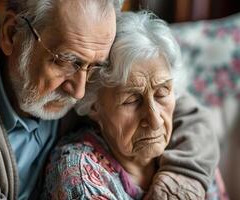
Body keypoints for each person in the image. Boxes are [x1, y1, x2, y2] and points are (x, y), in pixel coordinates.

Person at [0, 0, 218, 200]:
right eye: (67, 61)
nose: (80, 91)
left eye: (95, 66)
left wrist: (183, 176)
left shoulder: (84, 63)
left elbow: (188, 115)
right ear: (13, 34)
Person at [40, 11, 222, 199]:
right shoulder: (78, 173)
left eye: (162, 93)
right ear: (93, 105)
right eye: (132, 100)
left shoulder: (190, 148)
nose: (154, 121)